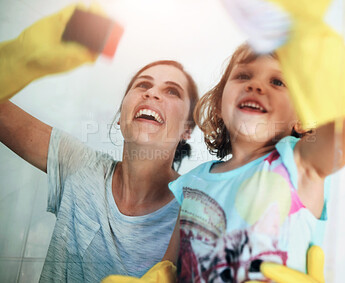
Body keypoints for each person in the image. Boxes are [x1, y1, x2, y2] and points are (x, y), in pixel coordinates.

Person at [0, 5, 199, 282]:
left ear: (187, 129)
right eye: (142, 85)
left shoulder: (196, 208)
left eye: (172, 91)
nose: (152, 93)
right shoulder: (80, 165)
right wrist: (24, 57)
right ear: (120, 117)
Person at [163, 43, 345, 282]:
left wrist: (314, 38)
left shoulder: (298, 163)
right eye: (243, 76)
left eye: (277, 82)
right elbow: (169, 267)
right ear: (220, 103)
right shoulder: (192, 182)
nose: (255, 85)